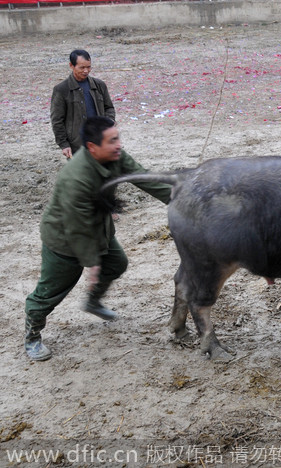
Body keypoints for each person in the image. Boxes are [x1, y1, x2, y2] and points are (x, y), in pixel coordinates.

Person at [23, 116, 172, 361]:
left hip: (97, 227)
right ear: (92, 147)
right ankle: (32, 336)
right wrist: (92, 264)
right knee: (49, 293)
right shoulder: (76, 177)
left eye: (118, 138)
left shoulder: (115, 156)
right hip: (65, 240)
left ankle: (93, 302)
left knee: (117, 263)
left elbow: (143, 177)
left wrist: (177, 197)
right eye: (112, 141)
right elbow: (76, 228)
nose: (118, 145)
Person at [51, 50, 116, 159]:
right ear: (71, 66)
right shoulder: (61, 90)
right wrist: (64, 144)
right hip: (77, 145)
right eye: (82, 68)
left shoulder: (99, 85)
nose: (86, 71)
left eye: (89, 67)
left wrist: (109, 123)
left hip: (101, 140)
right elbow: (57, 120)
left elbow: (109, 108)